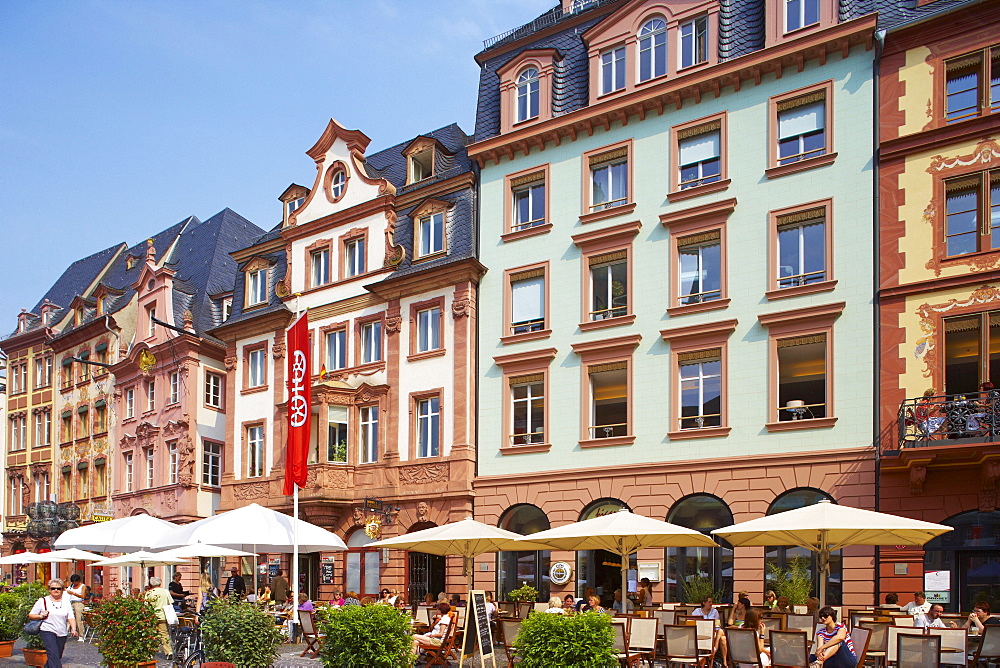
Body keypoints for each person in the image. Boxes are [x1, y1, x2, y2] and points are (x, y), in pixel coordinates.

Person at [28, 578, 78, 668]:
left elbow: (70, 616)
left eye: (58, 588)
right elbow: (31, 615)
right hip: (47, 630)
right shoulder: (42, 601)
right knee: (53, 653)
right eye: (53, 588)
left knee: (56, 656)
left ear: (63, 590)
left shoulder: (66, 602)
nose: (56, 590)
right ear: (49, 589)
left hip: (62, 632)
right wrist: (40, 616)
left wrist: (73, 629)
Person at [145, 576, 174, 659]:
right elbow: (170, 603)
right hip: (163, 615)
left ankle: (150, 653)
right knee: (164, 634)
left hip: (152, 616)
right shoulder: (165, 591)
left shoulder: (149, 593)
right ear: (160, 583)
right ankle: (169, 652)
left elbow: (146, 605)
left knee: (151, 635)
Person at [65, 574, 88, 643]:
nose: (74, 583)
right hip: (70, 602)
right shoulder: (71, 586)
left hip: (78, 603)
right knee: (68, 618)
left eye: (75, 582)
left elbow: (83, 596)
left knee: (78, 619)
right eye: (72, 582)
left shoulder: (83, 586)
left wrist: (73, 593)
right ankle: (66, 632)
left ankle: (81, 635)